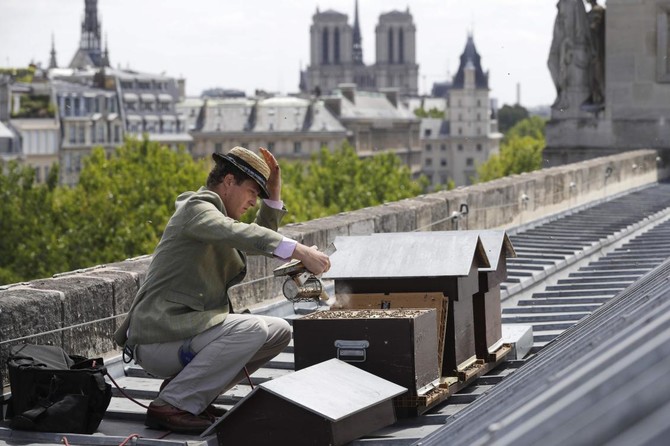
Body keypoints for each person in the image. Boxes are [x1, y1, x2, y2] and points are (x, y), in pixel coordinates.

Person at [113, 146, 331, 434]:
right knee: (252, 328)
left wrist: (273, 194)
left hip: (183, 334)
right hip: (158, 338)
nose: (254, 202)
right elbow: (241, 234)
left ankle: (189, 393)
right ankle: (172, 403)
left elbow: (251, 236)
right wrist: (299, 251)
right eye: (253, 191)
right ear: (229, 181)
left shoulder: (217, 220)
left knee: (279, 330)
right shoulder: (196, 208)